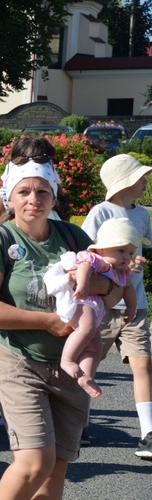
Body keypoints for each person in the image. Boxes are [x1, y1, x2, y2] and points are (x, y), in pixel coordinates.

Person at [0, 154, 121, 499]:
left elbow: (111, 292)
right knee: (35, 462)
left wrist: (99, 286)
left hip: (72, 369)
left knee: (56, 471)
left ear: (54, 196)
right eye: (23, 192)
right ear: (9, 197)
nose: (33, 199)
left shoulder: (73, 235)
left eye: (42, 191)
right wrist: (48, 322)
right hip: (20, 360)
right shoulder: (0, 239)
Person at [81, 154, 152, 459]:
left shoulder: (144, 215)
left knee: (143, 364)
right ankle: (77, 424)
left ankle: (148, 433)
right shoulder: (100, 212)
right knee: (89, 366)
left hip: (136, 306)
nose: (146, 181)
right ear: (124, 182)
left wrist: (139, 260)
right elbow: (84, 251)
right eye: (140, 177)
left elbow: (143, 249)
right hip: (104, 304)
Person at [45, 217, 142, 398]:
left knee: (95, 345)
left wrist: (131, 308)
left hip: (96, 309)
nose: (126, 257)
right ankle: (67, 360)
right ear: (102, 248)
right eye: (121, 250)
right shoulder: (97, 260)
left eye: (130, 253)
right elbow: (84, 267)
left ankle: (86, 376)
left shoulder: (121, 271)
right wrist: (82, 285)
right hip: (83, 302)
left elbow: (128, 287)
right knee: (86, 328)